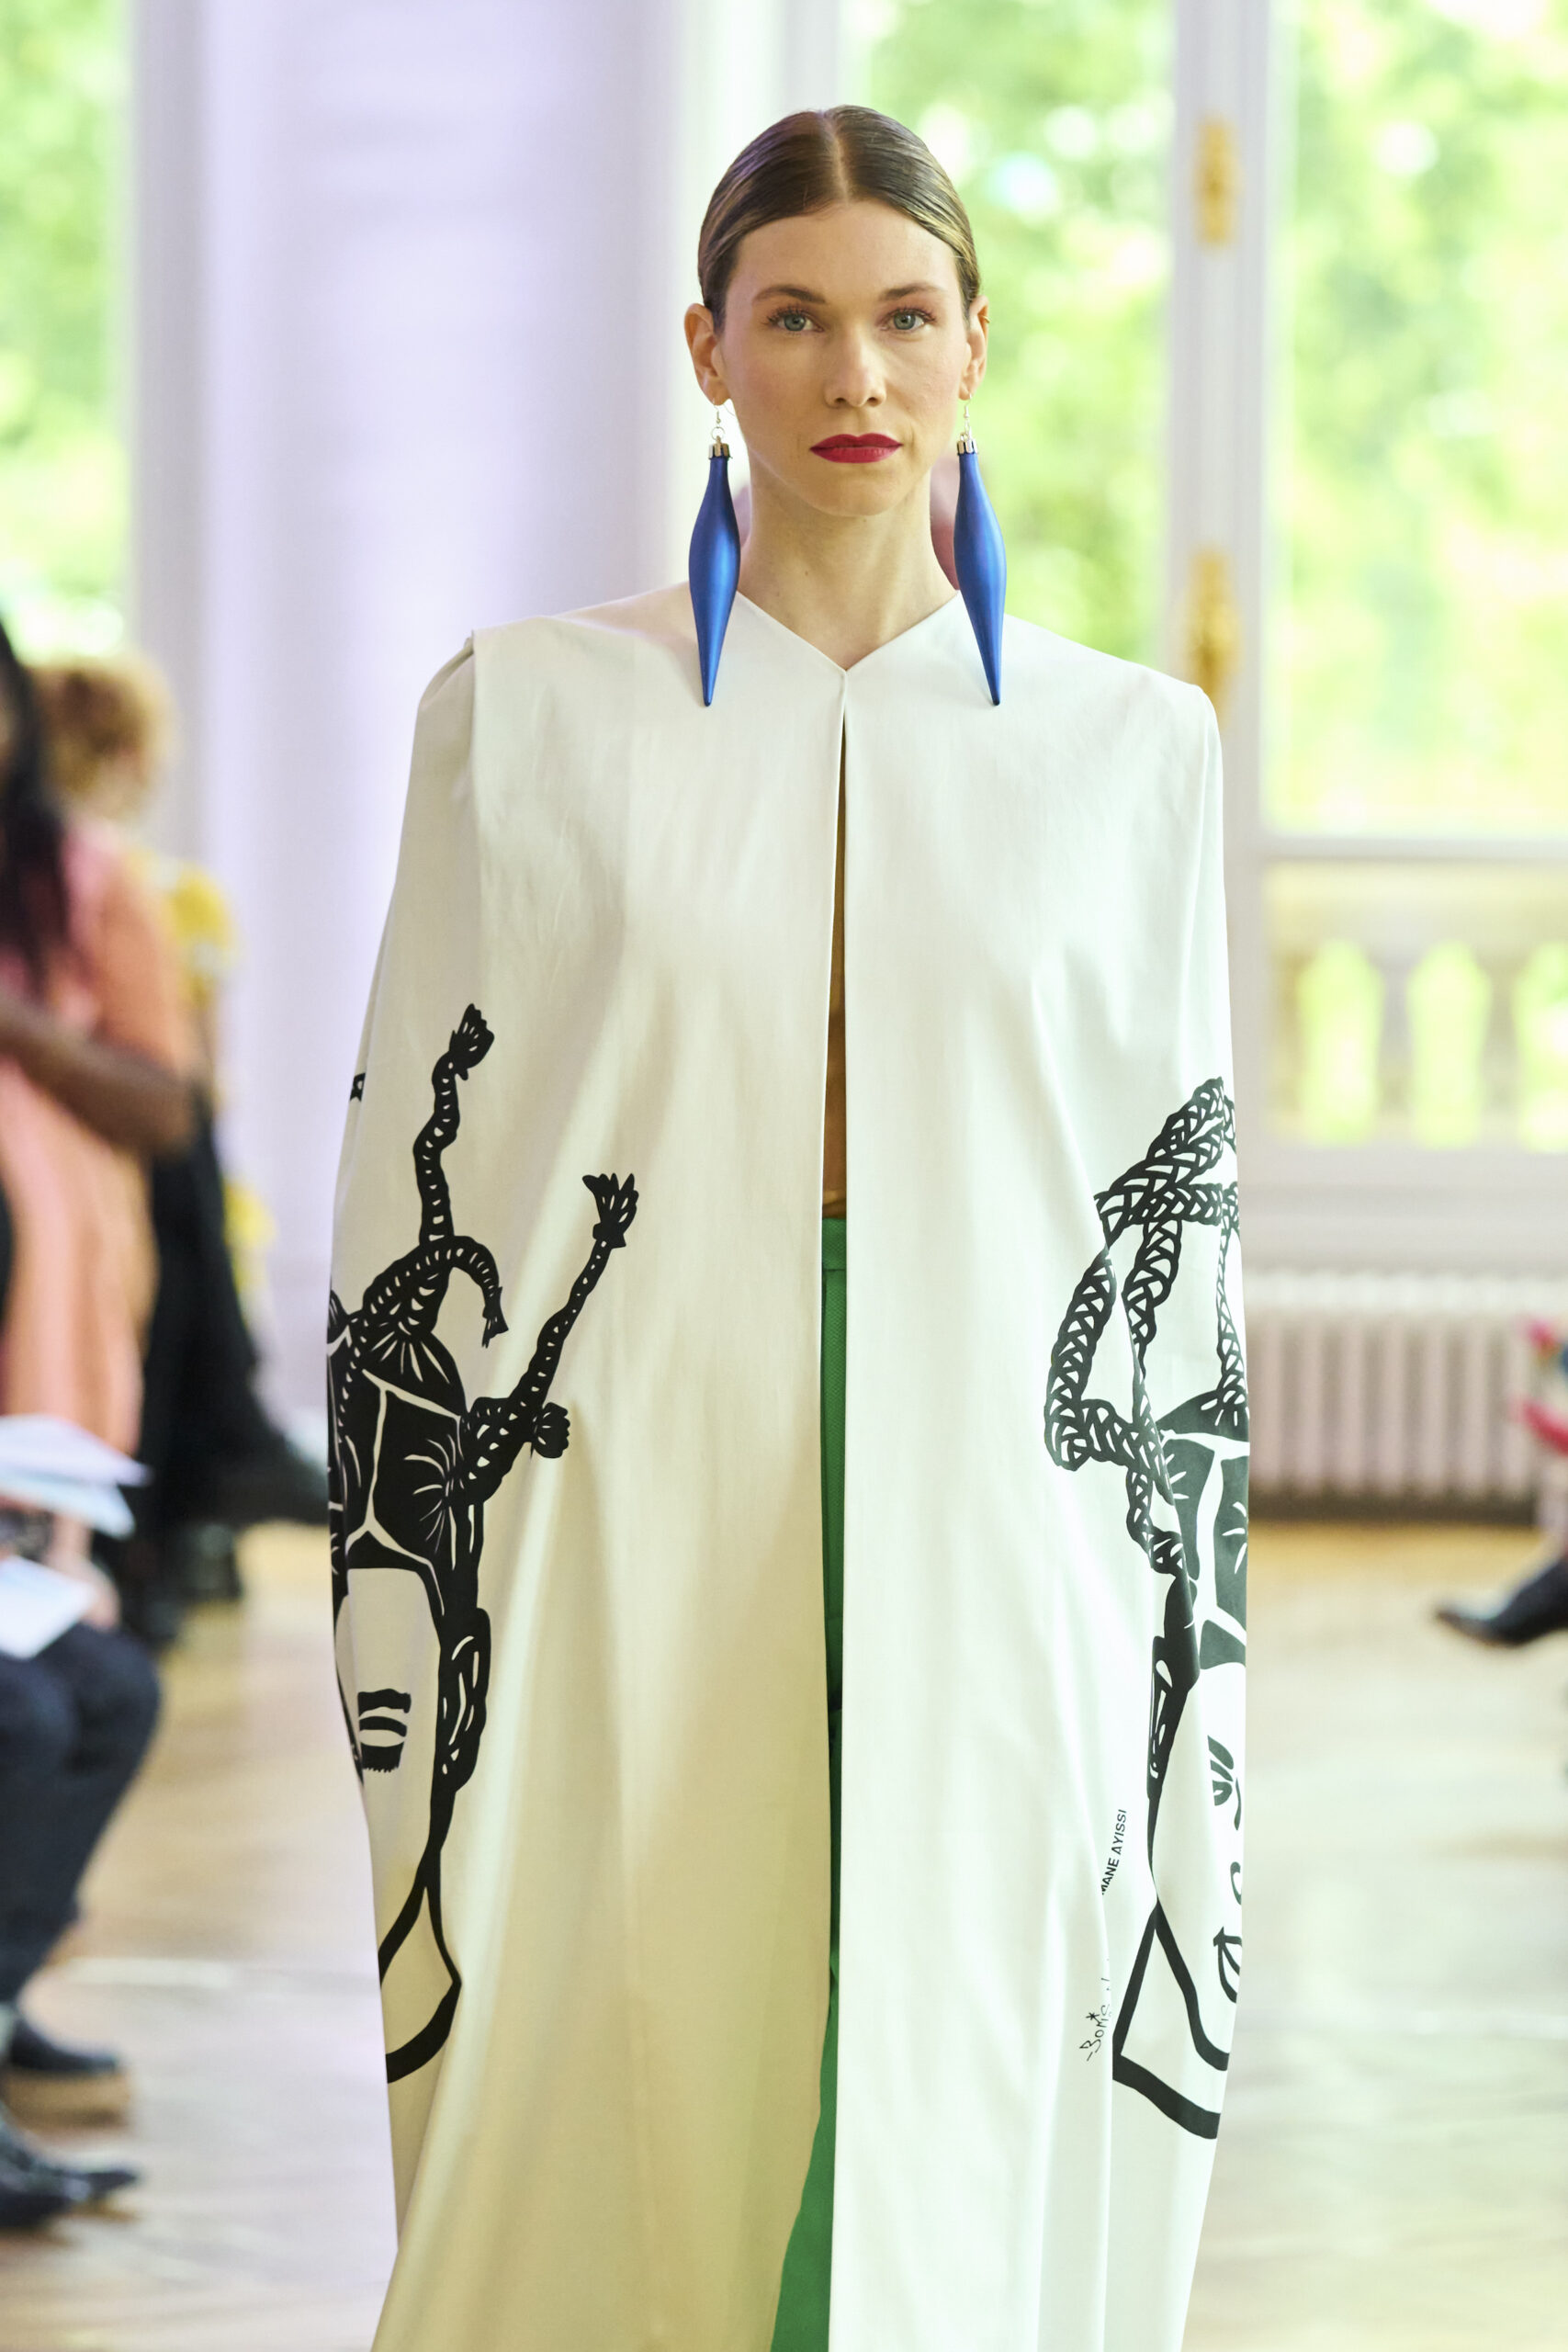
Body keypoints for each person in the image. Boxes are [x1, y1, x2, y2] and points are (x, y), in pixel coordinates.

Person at [331, 108, 1246, 2352]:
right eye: (796, 316)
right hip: (633, 1433)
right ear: (707, 347)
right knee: (634, 1947)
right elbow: (417, 1148)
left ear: (971, 345)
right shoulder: (526, 713)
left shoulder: (1129, 751)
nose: (855, 371)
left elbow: (1176, 1196)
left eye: (905, 316)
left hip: (999, 1444)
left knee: (965, 1943)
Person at [29, 654, 327, 1643]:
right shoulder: (154, 893)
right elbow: (192, 1076)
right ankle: (223, 1442)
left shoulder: (98, 886)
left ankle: (206, 1463)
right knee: (173, 1180)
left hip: (101, 1165)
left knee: (159, 1193)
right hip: (110, 1168)